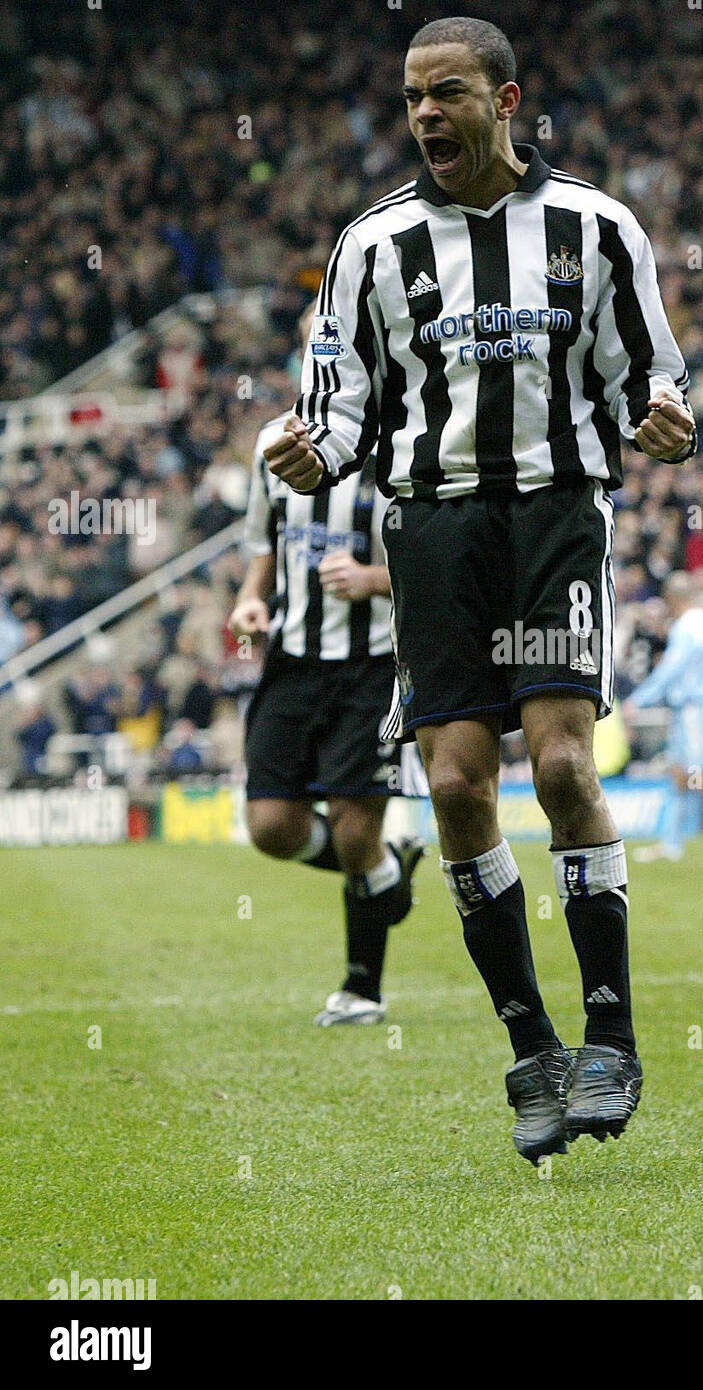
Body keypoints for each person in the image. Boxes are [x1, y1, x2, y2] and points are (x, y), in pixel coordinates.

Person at [263, 16, 696, 1162]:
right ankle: (532, 1044)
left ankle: (612, 1032)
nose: (422, 115)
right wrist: (315, 446)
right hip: (434, 527)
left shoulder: (597, 229)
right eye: (411, 97)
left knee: (560, 764)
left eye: (444, 92)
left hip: (557, 512)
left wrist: (669, 425)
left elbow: (650, 372)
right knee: (457, 787)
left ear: (506, 102)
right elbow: (343, 398)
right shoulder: (371, 244)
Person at [231, 306, 426, 1028]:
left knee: (353, 824)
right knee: (270, 824)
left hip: (373, 663)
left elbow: (436, 562)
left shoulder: (406, 443)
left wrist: (375, 581)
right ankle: (384, 875)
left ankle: (361, 990)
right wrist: (252, 601)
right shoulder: (273, 440)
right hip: (292, 658)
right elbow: (262, 542)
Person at [623, 573, 703, 862]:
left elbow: (671, 669)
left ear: (673, 598)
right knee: (679, 775)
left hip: (694, 708)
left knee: (701, 775)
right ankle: (670, 843)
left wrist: (639, 700)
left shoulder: (686, 627)